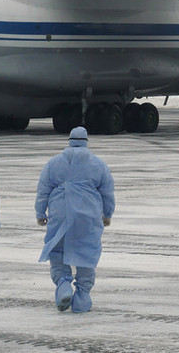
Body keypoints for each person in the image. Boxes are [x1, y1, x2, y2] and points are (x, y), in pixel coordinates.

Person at [35, 126, 115, 313]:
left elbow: (43, 189)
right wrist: (107, 214)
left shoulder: (54, 163)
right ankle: (83, 297)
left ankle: (63, 285)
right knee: (87, 251)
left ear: (69, 141)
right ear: (86, 141)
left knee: (57, 251)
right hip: (88, 212)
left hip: (60, 211)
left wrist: (40, 213)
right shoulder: (98, 163)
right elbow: (107, 191)